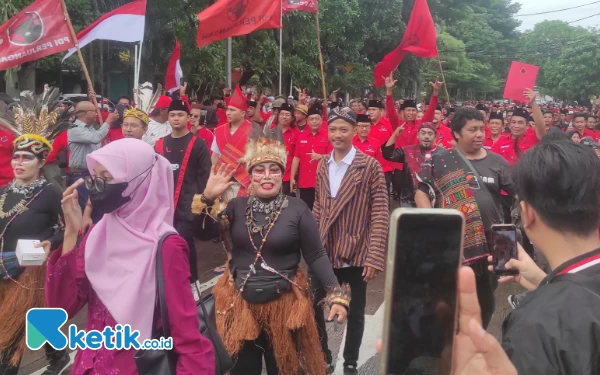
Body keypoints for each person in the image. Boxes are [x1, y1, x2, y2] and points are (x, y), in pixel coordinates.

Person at [46, 139, 215, 374]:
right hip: (89, 364)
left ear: (139, 179)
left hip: (136, 366)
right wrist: (71, 233)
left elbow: (186, 332)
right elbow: (60, 306)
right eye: (95, 176)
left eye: (108, 176)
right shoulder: (99, 233)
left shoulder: (166, 245)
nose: (97, 185)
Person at [191, 137, 349, 375]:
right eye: (259, 170)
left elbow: (316, 254)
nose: (267, 176)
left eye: (274, 170)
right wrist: (207, 197)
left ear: (281, 174)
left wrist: (336, 294)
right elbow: (201, 232)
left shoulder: (297, 208)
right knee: (243, 370)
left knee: (284, 369)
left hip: (284, 306)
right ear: (251, 176)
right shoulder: (235, 207)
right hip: (239, 306)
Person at [415, 107, 515, 329]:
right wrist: (433, 221)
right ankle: (453, 338)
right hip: (454, 239)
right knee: (453, 292)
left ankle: (477, 334)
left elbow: (520, 192)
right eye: (473, 130)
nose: (480, 134)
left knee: (488, 296)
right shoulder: (440, 159)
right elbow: (421, 191)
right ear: (457, 133)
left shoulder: (498, 161)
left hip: (495, 239)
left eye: (482, 129)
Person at [312, 107, 390, 375]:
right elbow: (318, 207)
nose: (337, 134)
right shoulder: (323, 164)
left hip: (355, 251)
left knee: (355, 313)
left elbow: (380, 212)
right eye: (332, 129)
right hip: (324, 249)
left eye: (343, 129)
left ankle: (350, 364)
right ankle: (324, 354)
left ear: (355, 131)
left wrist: (374, 254)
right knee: (312, 306)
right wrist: (310, 243)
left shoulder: (370, 166)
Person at [0, 86, 71, 375]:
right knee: (38, 317)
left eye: (27, 158)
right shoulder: (3, 191)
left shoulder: (51, 191)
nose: (19, 163)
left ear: (42, 163)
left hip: (31, 269)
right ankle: (59, 355)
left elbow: (71, 229)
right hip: (3, 266)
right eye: (16, 157)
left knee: (11, 332)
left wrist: (49, 243)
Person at [154, 99, 211, 284]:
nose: (176, 119)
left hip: (188, 205)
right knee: (164, 244)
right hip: (163, 204)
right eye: (172, 115)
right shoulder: (160, 144)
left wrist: (203, 204)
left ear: (188, 118)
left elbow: (205, 176)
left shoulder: (198, 144)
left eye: (180, 115)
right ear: (168, 118)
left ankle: (192, 282)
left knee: (184, 243)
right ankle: (170, 283)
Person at [381, 122, 444, 207]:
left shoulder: (442, 153)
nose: (426, 136)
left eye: (430, 133)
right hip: (409, 201)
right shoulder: (408, 151)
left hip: (435, 202)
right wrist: (395, 135)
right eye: (423, 133)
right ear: (418, 135)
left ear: (435, 137)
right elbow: (388, 154)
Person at [290, 104, 331, 210]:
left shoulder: (328, 136)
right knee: (306, 210)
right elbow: (296, 158)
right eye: (311, 119)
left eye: (317, 119)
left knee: (322, 209)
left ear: (321, 120)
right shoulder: (301, 136)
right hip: (305, 181)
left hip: (322, 181)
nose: (314, 121)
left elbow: (334, 156)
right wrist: (292, 177)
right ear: (307, 121)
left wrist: (320, 156)